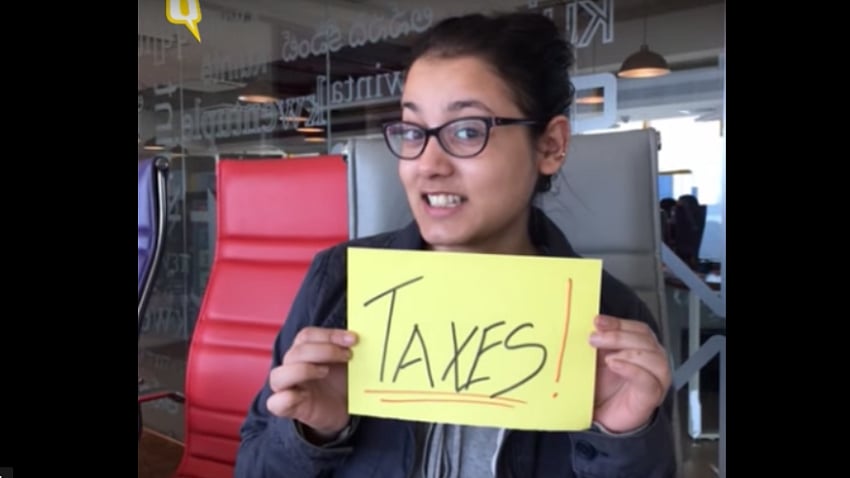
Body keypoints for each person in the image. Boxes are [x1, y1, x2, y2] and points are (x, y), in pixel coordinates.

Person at [235, 11, 676, 478]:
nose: (428, 164)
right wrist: (312, 435)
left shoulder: (612, 321)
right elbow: (252, 466)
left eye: (467, 130)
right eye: (412, 131)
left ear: (550, 146)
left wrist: (620, 442)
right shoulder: (337, 285)